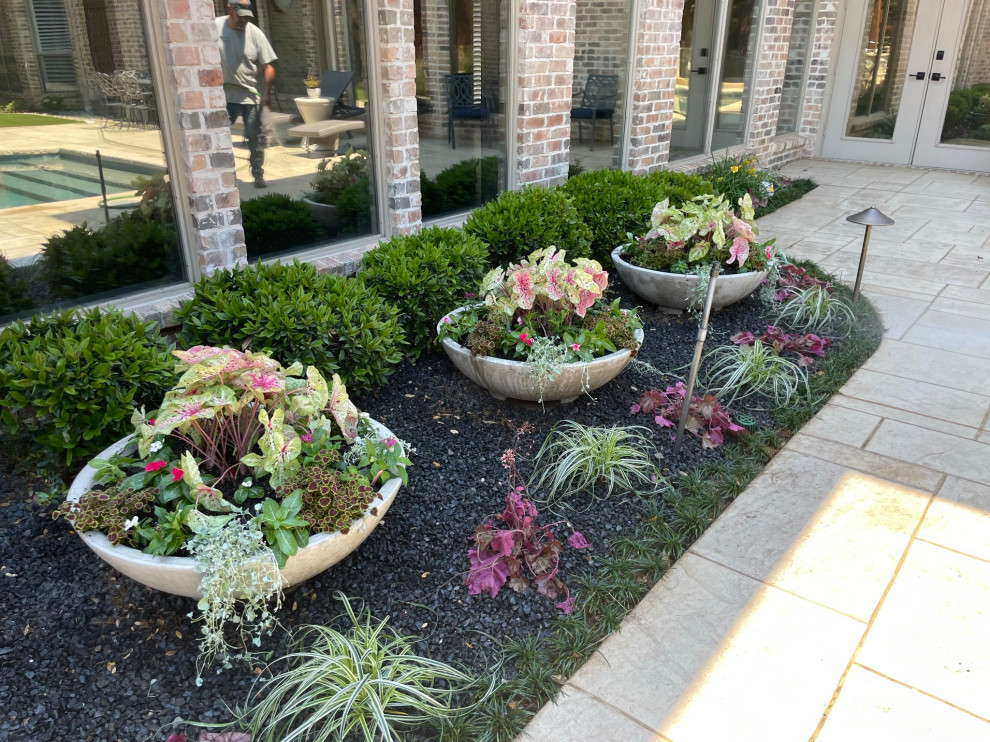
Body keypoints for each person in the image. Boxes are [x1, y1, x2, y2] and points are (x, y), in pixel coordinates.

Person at [216, 0, 277, 188]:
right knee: (220, 136)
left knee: (254, 136)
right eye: (240, 15)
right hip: (223, 96)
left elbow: (268, 66)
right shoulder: (214, 27)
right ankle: (222, 175)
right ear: (229, 10)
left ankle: (258, 174)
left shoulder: (254, 33)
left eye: (246, 16)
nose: (244, 20)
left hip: (250, 96)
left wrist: (266, 93)